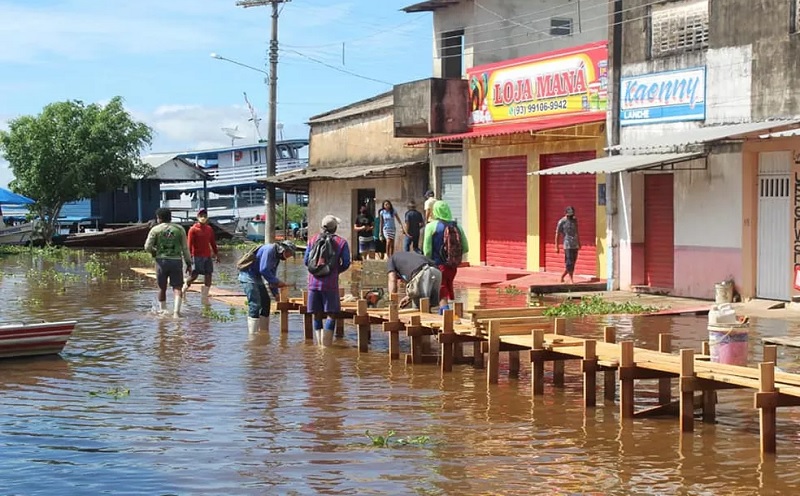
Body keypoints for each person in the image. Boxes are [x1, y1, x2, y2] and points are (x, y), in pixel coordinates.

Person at [304, 215, 351, 346]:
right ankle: (327, 347)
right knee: (331, 314)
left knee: (316, 314)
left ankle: (319, 345)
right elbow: (346, 263)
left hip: (313, 284)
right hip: (330, 284)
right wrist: (334, 272)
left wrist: (317, 272)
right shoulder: (341, 242)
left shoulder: (312, 239)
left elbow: (306, 261)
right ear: (335, 228)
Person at [238, 241, 296, 334]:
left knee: (266, 303)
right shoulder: (269, 250)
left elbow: (271, 275)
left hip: (257, 277)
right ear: (283, 250)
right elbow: (264, 269)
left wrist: (276, 294)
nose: (289, 256)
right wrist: (277, 282)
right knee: (255, 304)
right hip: (248, 275)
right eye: (289, 253)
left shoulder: (276, 257)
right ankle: (253, 335)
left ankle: (264, 333)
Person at [144, 208, 192, 317]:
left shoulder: (155, 230)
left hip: (161, 261)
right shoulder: (179, 229)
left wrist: (154, 252)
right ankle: (176, 313)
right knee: (177, 287)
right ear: (170, 217)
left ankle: (163, 311)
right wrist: (189, 263)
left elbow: (147, 247)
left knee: (162, 287)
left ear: (159, 218)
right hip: (176, 261)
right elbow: (185, 248)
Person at [423, 200, 468, 314]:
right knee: (446, 289)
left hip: (437, 265)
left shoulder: (431, 226)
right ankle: (446, 314)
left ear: (435, 212)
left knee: (440, 291)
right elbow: (466, 248)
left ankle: (445, 315)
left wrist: (427, 262)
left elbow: (427, 250)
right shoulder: (457, 226)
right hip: (452, 266)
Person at [183, 208, 220, 304]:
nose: (203, 218)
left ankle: (205, 296)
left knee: (209, 274)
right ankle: (185, 287)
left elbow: (212, 242)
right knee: (194, 275)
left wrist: (216, 254)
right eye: (201, 216)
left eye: (204, 216)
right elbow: (189, 245)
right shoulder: (193, 230)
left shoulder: (209, 229)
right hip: (197, 255)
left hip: (207, 255)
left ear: (207, 217)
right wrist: (189, 258)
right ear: (197, 217)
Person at [555, 206, 581, 284]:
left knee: (573, 262)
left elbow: (577, 232)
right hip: (567, 244)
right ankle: (571, 278)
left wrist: (579, 242)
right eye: (569, 215)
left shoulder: (575, 220)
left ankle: (563, 276)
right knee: (569, 262)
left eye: (572, 214)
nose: (571, 216)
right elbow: (557, 234)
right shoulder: (561, 221)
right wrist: (556, 246)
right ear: (566, 213)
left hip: (575, 244)